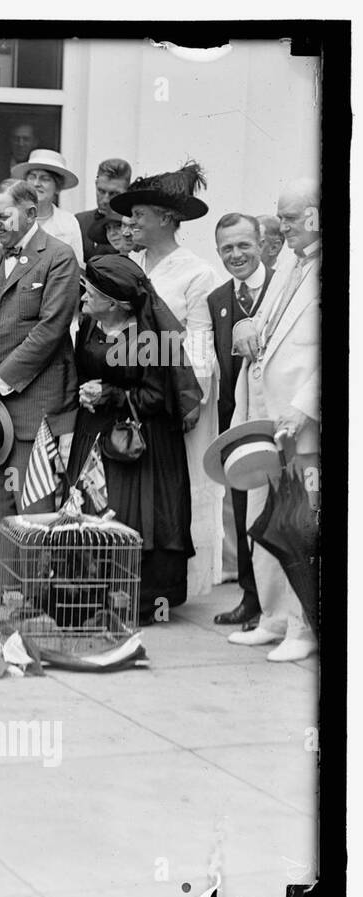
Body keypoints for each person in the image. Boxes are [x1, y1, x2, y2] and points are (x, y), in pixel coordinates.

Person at [0, 179, 81, 607]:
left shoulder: (60, 257)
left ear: (30, 213)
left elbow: (51, 329)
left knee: (31, 498)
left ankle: (31, 593)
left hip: (34, 398)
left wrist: (2, 377)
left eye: (3, 216)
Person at [111, 162, 223, 602]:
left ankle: (181, 582)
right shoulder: (129, 266)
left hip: (175, 397)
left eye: (139, 214)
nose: (130, 222)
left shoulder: (197, 273)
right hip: (132, 396)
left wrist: (190, 402)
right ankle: (132, 580)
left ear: (166, 218)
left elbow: (199, 341)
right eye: (130, 214)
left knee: (182, 484)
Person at [71, 255, 196, 620]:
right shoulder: (91, 324)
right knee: (91, 511)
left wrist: (111, 394)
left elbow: (157, 397)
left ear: (114, 303)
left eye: (89, 294)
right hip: (94, 430)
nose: (82, 299)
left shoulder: (148, 338)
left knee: (134, 515)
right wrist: (86, 392)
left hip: (140, 439)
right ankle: (92, 597)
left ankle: (142, 603)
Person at [228, 178, 320, 662]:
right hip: (264, 417)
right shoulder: (290, 262)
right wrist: (245, 327)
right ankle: (273, 617)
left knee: (300, 526)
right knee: (262, 517)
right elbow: (265, 321)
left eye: (288, 218)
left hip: (302, 425)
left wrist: (305, 407)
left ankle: (305, 630)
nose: (278, 227)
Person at [208, 212, 274, 630]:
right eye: (227, 248)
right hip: (237, 425)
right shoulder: (217, 300)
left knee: (278, 517)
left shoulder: (282, 288)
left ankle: (278, 606)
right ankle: (250, 599)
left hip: (276, 422)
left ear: (261, 243)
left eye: (243, 245)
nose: (236, 255)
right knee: (241, 511)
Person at [12, 148, 86, 269]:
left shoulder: (68, 222)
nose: (36, 183)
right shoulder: (13, 217)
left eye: (45, 178)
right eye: (32, 177)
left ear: (57, 186)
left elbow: (75, 267)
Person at [77, 158, 132, 262]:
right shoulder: (79, 222)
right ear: (96, 185)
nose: (106, 199)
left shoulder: (135, 225)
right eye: (101, 191)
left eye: (114, 193)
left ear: (127, 191)